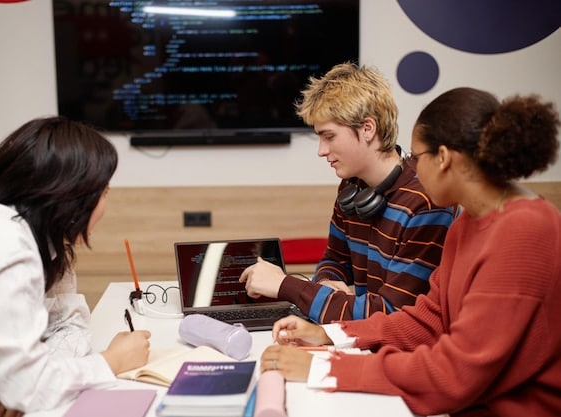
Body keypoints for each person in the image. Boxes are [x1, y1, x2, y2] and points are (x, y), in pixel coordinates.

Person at [260, 87, 561, 417]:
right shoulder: (469, 223)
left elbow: (453, 375)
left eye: (417, 158)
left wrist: (324, 368)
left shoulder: (525, 232)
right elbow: (430, 320)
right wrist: (329, 334)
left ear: (443, 158)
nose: (413, 170)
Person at [0, 116, 152, 417]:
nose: (104, 205)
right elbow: (26, 387)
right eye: (103, 193)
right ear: (70, 194)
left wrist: (35, 378)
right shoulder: (5, 244)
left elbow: (67, 322)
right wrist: (110, 361)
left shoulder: (42, 241)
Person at [240, 62, 456, 323]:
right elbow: (335, 259)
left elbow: (392, 315)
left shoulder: (425, 202)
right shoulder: (352, 188)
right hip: (365, 339)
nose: (321, 150)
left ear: (367, 129)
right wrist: (328, 281)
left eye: (329, 136)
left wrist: (286, 286)